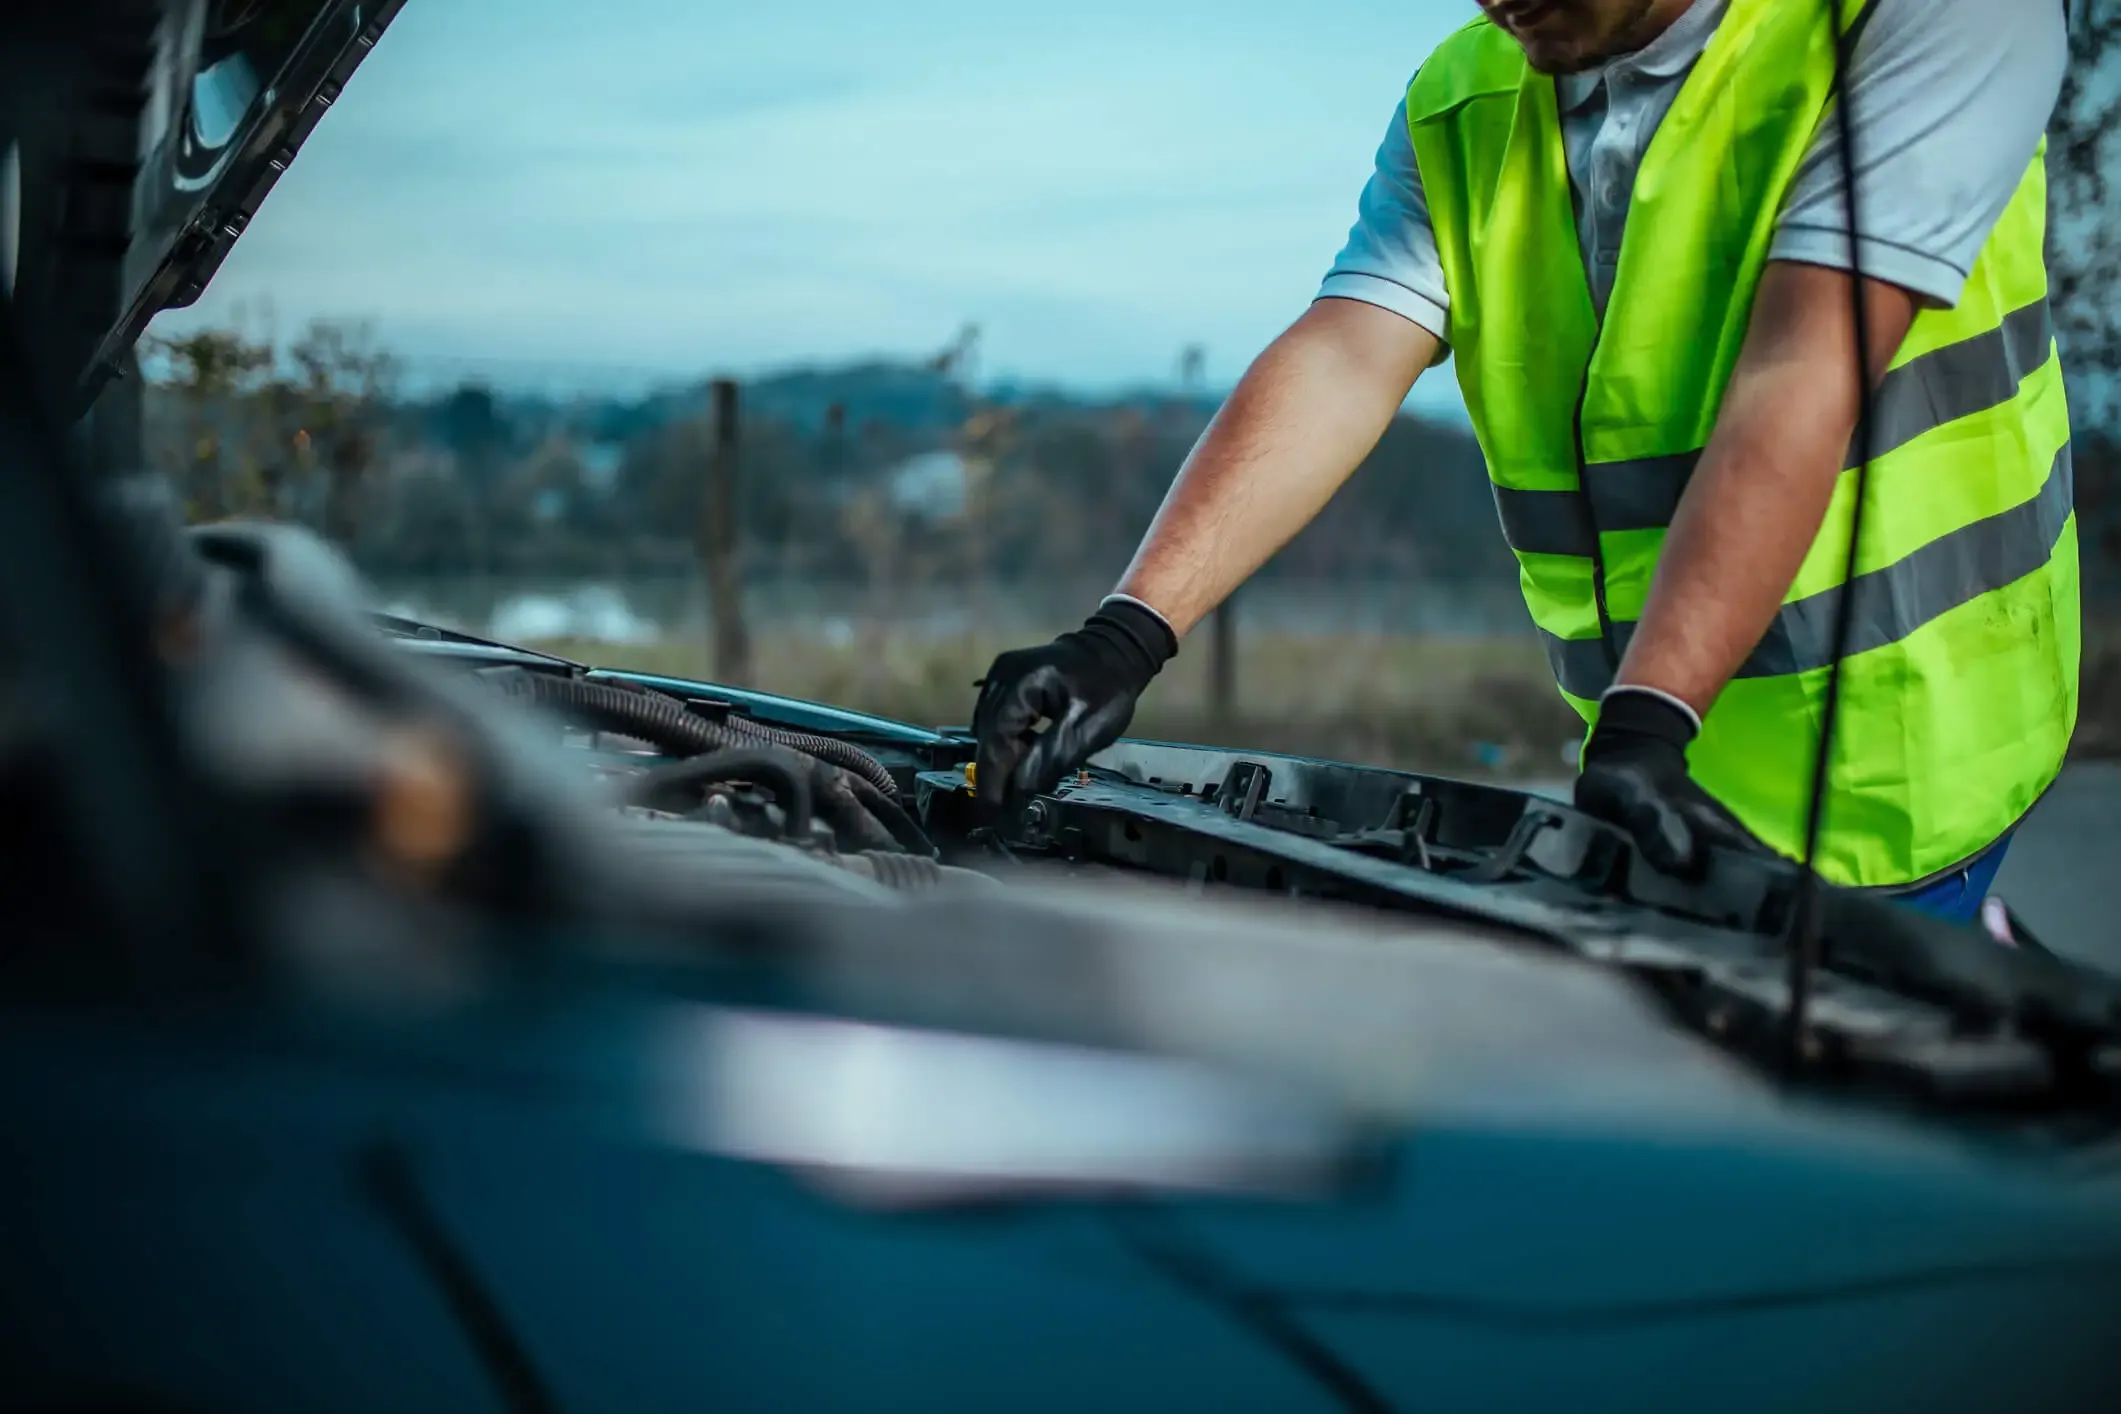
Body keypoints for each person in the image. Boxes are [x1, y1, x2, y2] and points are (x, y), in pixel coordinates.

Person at [970, 0, 2076, 924]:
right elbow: (1346, 357)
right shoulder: (1467, 93)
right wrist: (1124, 634)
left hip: (1900, 760)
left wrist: (1651, 717)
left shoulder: (1927, 18)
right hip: (1651, 772)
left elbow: (1803, 368)